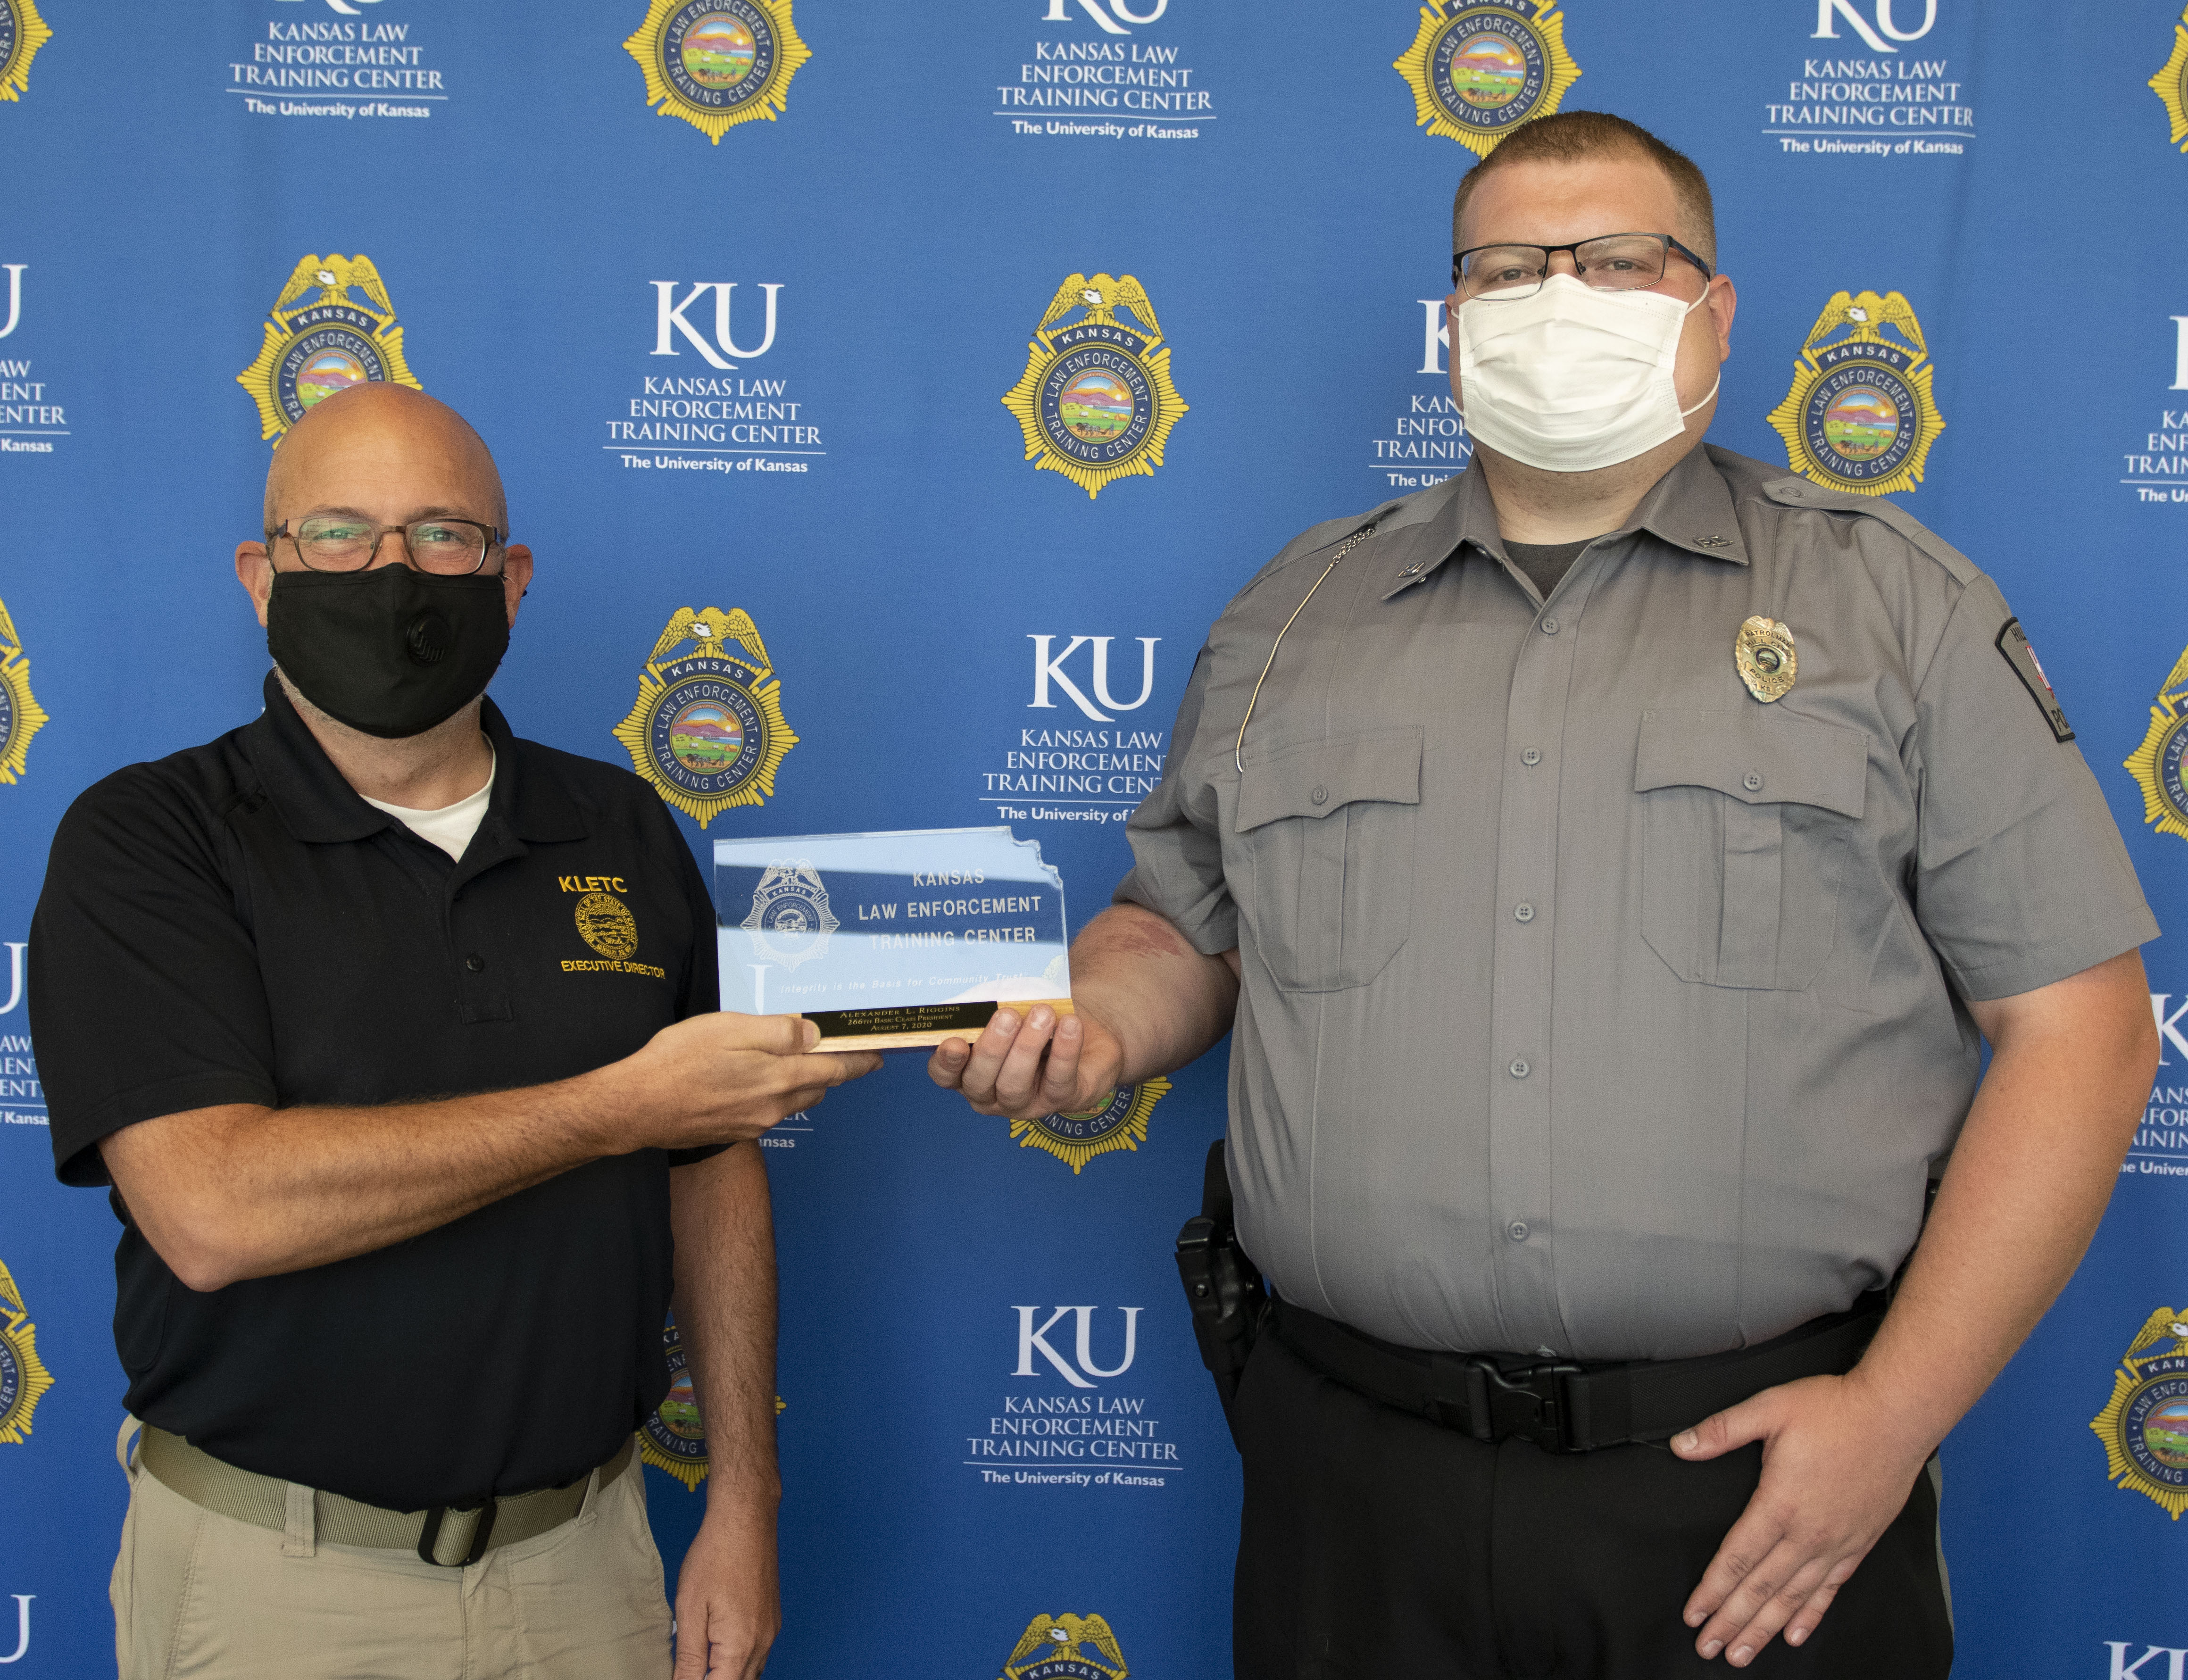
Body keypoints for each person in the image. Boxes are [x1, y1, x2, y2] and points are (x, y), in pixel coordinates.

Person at [931, 112, 2160, 1678]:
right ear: (1452, 324)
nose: (1558, 295)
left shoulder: (1897, 607)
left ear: (1714, 314)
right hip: (1353, 1482)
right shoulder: (1296, 612)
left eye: (1617, 260)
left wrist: (1891, 1417)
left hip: (1752, 1495)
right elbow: (1181, 923)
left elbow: (2084, 1031)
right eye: (1508, 267)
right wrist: (1095, 1024)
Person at [29, 382, 877, 1680]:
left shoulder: (623, 826)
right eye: (339, 535)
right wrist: (616, 1107)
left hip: (588, 1564)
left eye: (441, 534)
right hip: (277, 1587)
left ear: (512, 576)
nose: (392, 573)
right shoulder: (152, 838)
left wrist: (744, 1502)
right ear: (263, 575)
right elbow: (211, 1211)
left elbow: (707, 1164)